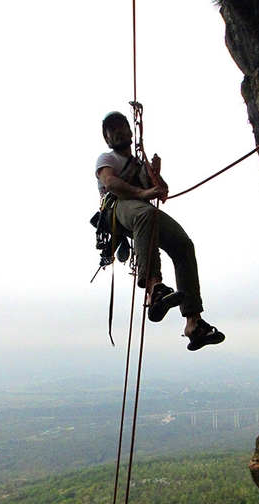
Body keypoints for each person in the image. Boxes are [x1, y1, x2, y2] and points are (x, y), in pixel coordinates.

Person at [95, 111, 225, 351]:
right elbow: (111, 183)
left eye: (121, 126)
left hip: (143, 212)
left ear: (130, 131)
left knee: (183, 244)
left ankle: (194, 323)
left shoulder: (140, 165)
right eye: (111, 130)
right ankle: (154, 290)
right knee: (145, 214)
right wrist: (144, 193)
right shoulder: (107, 158)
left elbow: (162, 192)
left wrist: (154, 173)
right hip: (118, 209)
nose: (118, 131)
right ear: (107, 140)